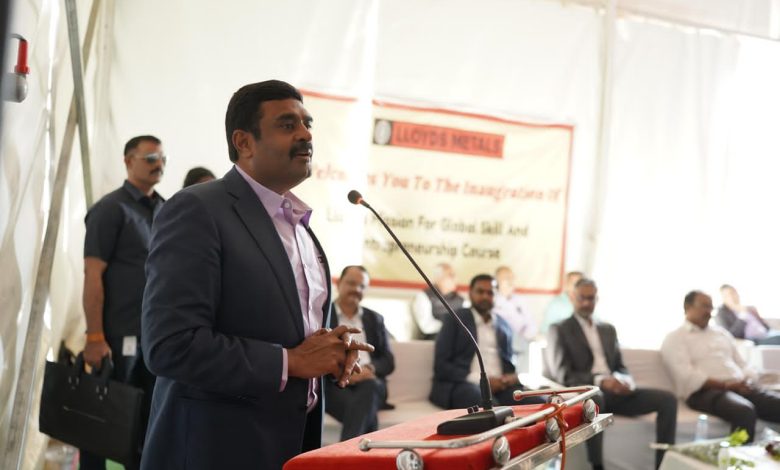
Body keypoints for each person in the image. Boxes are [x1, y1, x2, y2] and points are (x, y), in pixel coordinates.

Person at [140, 80, 373, 469]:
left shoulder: (301, 227)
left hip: (293, 444)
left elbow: (296, 336)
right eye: (287, 125)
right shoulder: (197, 210)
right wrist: (290, 362)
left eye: (307, 123)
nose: (306, 135)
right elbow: (170, 344)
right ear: (244, 142)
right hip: (216, 447)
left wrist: (332, 353)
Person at [81, 135, 166, 469]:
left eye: (163, 158)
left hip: (155, 336)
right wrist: (94, 336)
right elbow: (92, 275)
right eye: (151, 158)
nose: (159, 164)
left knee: (146, 421)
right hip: (117, 336)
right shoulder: (110, 209)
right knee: (103, 419)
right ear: (129, 161)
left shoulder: (165, 209)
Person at [546, 278, 676, 470]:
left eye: (591, 298)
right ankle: (597, 466)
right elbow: (563, 374)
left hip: (615, 393)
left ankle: (664, 465)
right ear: (572, 297)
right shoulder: (559, 329)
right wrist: (601, 381)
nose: (587, 303)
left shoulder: (607, 329)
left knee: (668, 400)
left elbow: (620, 367)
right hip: (588, 394)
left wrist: (625, 381)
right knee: (596, 397)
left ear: (596, 299)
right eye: (582, 298)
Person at [661, 290, 780, 442]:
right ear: (687, 307)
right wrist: (726, 385)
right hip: (706, 391)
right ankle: (739, 456)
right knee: (744, 411)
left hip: (739, 386)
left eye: (711, 307)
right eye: (704, 306)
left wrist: (747, 380)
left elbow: (743, 364)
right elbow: (686, 375)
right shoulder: (675, 338)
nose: (709, 311)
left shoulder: (721, 334)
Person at [429, 274, 545, 410]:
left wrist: (511, 377)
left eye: (490, 293)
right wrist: (482, 381)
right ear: (470, 293)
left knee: (539, 403)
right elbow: (441, 365)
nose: (485, 296)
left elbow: (508, 364)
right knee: (490, 407)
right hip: (464, 384)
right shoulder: (455, 319)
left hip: (500, 387)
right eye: (480, 291)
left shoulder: (503, 325)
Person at [326, 265, 395, 440]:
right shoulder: (323, 315)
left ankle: (343, 454)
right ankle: (355, 454)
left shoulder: (375, 319)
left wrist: (369, 369)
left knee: (371, 387)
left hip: (370, 381)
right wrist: (346, 373)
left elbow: (388, 361)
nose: (357, 289)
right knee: (365, 408)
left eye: (362, 286)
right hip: (335, 384)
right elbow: (318, 355)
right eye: (351, 283)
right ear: (338, 284)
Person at [411, 262, 465, 339]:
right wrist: (451, 326)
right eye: (450, 275)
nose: (454, 279)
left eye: (454, 275)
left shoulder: (461, 300)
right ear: (438, 278)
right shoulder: (424, 297)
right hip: (432, 339)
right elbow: (426, 326)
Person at [716, 284, 780, 345]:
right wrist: (742, 315)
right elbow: (731, 335)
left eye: (734, 293)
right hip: (753, 340)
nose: (732, 296)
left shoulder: (749, 309)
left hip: (767, 334)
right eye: (728, 295)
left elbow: (764, 325)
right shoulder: (722, 314)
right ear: (723, 298)